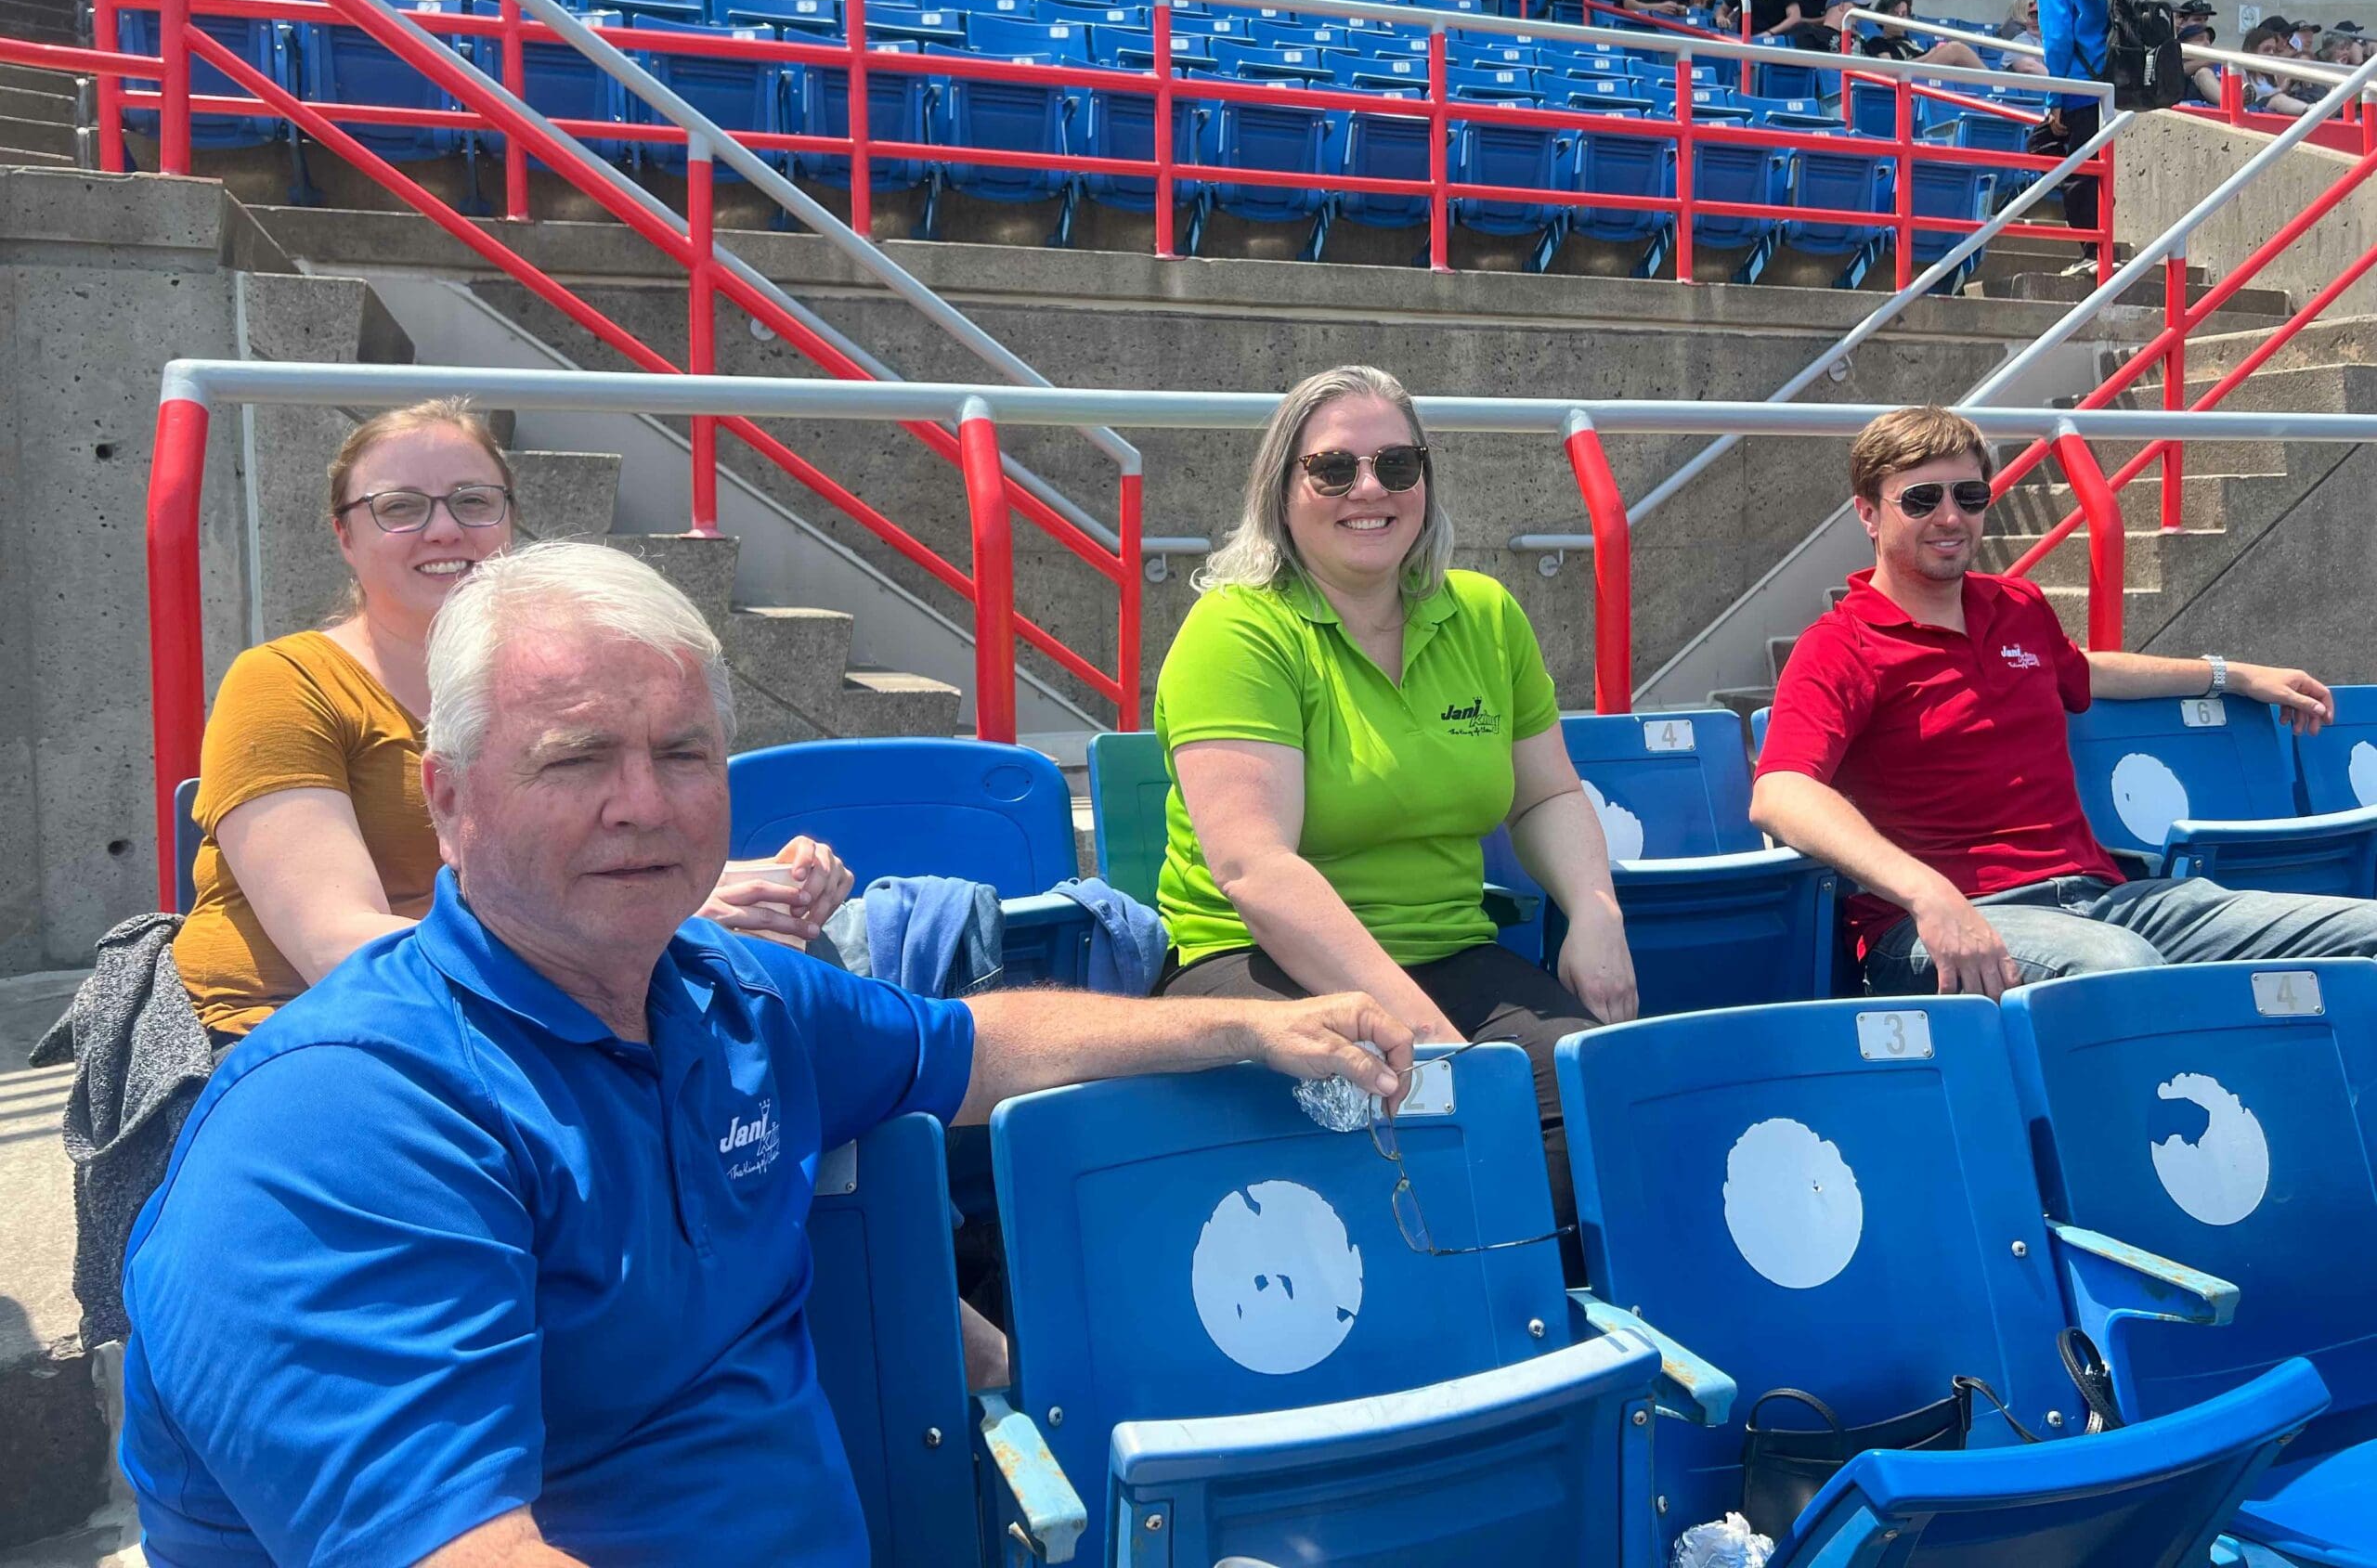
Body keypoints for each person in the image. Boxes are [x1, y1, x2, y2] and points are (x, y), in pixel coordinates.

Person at [119, 539, 1413, 1567]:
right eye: (577, 758)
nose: (646, 801)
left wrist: (1242, 1024)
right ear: (449, 802)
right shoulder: (347, 1121)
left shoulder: (729, 998)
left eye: (685, 752)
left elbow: (975, 1044)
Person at [173, 399, 851, 1052]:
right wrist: (644, 923)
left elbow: (541, 874)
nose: (444, 530)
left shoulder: (546, 689)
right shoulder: (285, 684)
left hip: (524, 1007)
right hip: (299, 1037)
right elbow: (338, 949)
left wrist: (755, 883)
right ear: (345, 535)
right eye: (400, 508)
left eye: (473, 501)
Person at [1152, 365, 1635, 1227]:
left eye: (1398, 466)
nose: (1369, 489)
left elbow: (1547, 796)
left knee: (1599, 1094)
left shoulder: (1485, 614)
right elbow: (1255, 867)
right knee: (1391, 1114)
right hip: (1254, 962)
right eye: (1334, 469)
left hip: (1446, 946)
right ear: (1283, 491)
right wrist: (1420, 1029)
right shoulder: (1236, 629)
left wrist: (1597, 915)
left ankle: (1541, 1317)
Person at [1751, 406, 2377, 997]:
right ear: (1868, 514)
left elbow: (2087, 673)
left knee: (2364, 932)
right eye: (1921, 499)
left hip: (2103, 899)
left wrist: (2232, 675)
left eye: (1968, 497)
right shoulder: (1841, 645)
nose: (1950, 517)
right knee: (2120, 970)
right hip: (1942, 924)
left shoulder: (2017, 608)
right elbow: (1780, 790)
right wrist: (1926, 893)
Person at [2033, 0, 2119, 232]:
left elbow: (2057, 42)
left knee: (2076, 174)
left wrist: (2055, 99)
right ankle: (2099, 220)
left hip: (2078, 92)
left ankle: (2094, 252)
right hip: (2109, 88)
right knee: (2052, 151)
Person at [1859, 0, 1990, 72]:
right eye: (1894, 13)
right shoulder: (1877, 42)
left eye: (1904, 14)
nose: (1900, 18)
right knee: (1955, 49)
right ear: (1882, 18)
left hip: (1923, 70)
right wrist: (1930, 54)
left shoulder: (1908, 41)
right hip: (1910, 75)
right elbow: (1892, 69)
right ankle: (1996, 80)